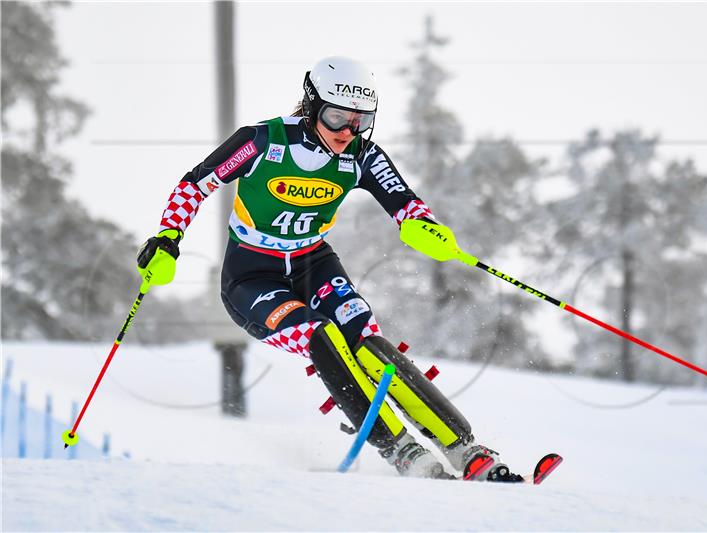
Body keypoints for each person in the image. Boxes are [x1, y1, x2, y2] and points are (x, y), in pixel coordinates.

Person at [136, 56, 522, 482]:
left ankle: (465, 449)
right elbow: (195, 184)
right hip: (252, 275)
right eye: (336, 116)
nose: (346, 132)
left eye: (359, 121)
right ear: (312, 104)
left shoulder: (361, 155)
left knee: (365, 338)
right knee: (320, 335)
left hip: (313, 263)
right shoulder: (262, 141)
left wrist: (422, 225)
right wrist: (168, 239)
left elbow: (404, 202)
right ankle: (403, 452)